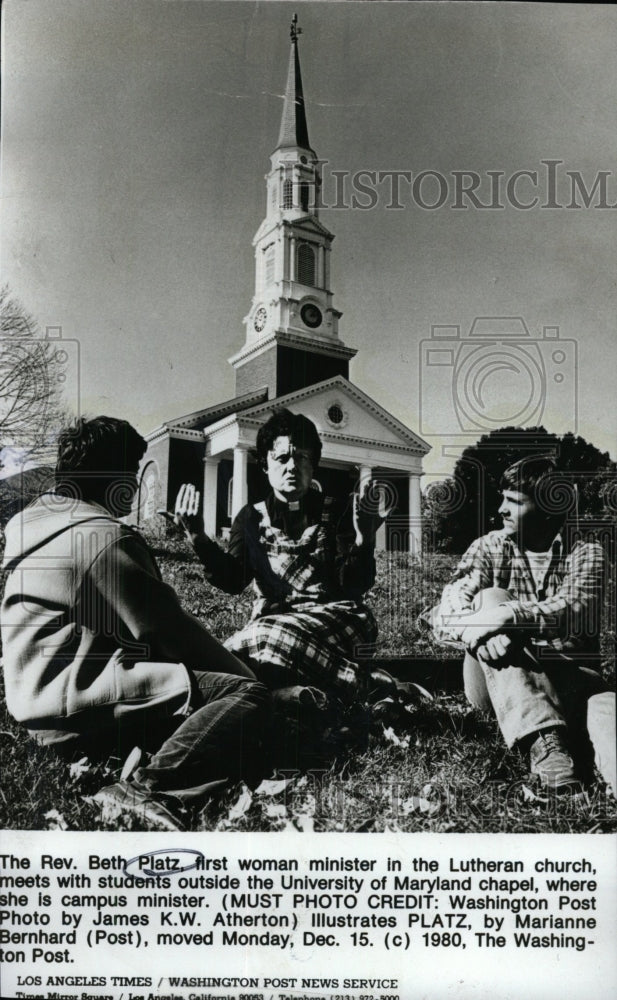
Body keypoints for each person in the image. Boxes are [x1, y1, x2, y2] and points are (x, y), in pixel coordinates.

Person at [1, 416, 270, 831]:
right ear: (110, 476)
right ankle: (150, 789)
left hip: (36, 707)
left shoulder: (38, 530)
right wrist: (246, 677)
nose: (136, 484)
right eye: (131, 471)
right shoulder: (101, 537)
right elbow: (166, 631)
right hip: (74, 707)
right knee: (244, 696)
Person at [170, 409, 398, 762]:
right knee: (234, 654)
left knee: (260, 643)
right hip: (275, 626)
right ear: (265, 465)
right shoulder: (250, 517)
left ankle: (340, 691)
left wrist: (364, 539)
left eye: (303, 458)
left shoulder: (335, 510)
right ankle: (309, 699)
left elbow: (352, 587)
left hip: (336, 622)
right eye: (282, 458)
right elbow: (233, 579)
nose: (292, 467)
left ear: (314, 465)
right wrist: (198, 537)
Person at [432, 455, 615, 794]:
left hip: (571, 679)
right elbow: (449, 606)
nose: (501, 509)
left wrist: (512, 618)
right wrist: (483, 631)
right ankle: (545, 744)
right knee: (490, 598)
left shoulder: (586, 551)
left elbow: (575, 607)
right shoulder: (489, 546)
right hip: (495, 681)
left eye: (513, 501)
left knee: (608, 710)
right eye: (503, 498)